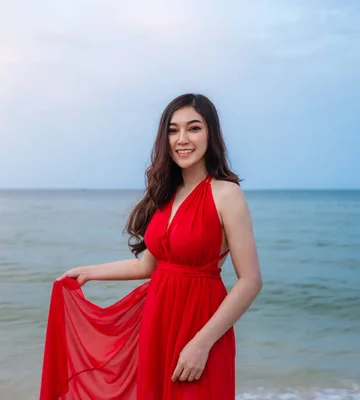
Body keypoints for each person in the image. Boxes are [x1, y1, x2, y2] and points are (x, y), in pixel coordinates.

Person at [40, 93, 263, 400]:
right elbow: (149, 265)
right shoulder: (166, 195)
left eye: (194, 128)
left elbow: (250, 281)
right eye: (173, 130)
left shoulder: (226, 194)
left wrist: (202, 343)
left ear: (211, 134)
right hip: (157, 323)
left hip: (201, 326)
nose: (182, 139)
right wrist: (87, 273)